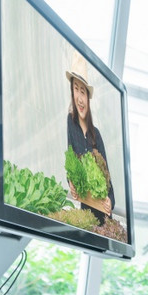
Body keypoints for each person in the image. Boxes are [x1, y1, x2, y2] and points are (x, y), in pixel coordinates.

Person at [66, 51, 114, 225]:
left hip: (102, 212)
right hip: (86, 211)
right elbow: (70, 159)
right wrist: (70, 181)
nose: (80, 98)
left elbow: (107, 177)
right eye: (76, 90)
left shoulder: (96, 135)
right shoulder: (71, 124)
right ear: (72, 94)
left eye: (83, 92)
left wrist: (110, 201)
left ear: (88, 97)